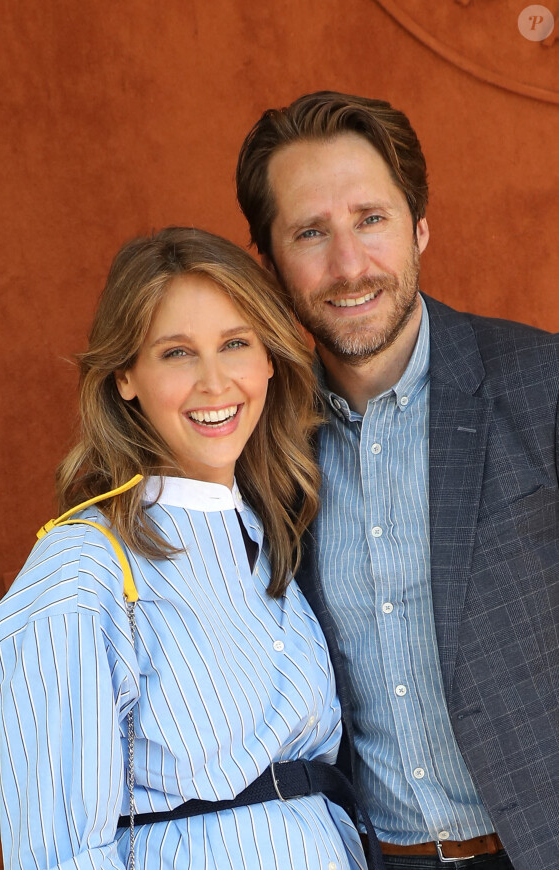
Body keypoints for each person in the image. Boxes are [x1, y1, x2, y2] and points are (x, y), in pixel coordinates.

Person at [0, 227, 382, 870]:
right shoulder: (79, 571)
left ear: (270, 358)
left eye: (234, 344)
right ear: (125, 376)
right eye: (176, 353)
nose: (215, 381)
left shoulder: (273, 532)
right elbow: (59, 854)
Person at [235, 91, 559, 870]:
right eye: (312, 232)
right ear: (270, 260)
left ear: (418, 227)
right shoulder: (258, 440)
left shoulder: (542, 385)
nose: (349, 266)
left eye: (371, 219)